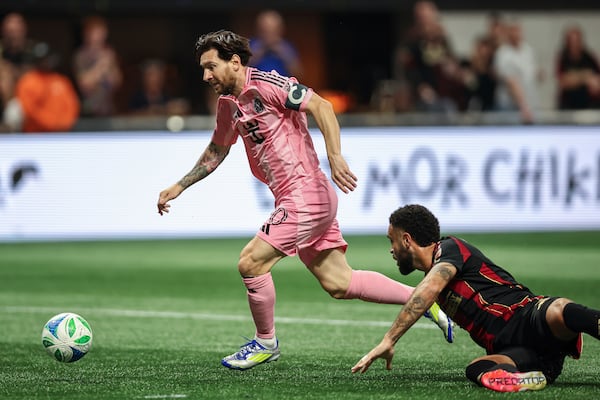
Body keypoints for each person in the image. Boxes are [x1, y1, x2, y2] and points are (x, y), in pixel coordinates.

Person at [157, 30, 453, 371]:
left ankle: (265, 342)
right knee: (340, 283)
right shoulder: (228, 106)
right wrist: (180, 185)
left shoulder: (268, 85)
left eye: (211, 67)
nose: (205, 76)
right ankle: (425, 299)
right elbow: (218, 149)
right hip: (297, 197)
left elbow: (322, 106)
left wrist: (336, 156)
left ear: (235, 62)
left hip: (305, 193)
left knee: (250, 262)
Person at [351, 204, 599, 393]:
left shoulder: (450, 249)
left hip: (527, 318)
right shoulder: (431, 280)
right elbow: (423, 296)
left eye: (391, 241)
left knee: (559, 309)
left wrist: (389, 340)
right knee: (477, 368)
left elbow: (427, 291)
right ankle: (530, 378)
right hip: (513, 351)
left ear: (407, 240)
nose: (391, 250)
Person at [13, 42, 80, 133]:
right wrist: (51, 123)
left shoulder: (61, 81)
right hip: (35, 135)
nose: (45, 62)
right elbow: (29, 110)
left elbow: (72, 105)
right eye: (42, 59)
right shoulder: (27, 81)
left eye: (46, 58)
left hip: (62, 133)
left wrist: (63, 123)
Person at [73, 15, 122, 116]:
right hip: (88, 111)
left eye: (101, 32)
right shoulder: (81, 56)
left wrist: (110, 68)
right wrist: (101, 66)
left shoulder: (109, 53)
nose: (99, 36)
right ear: (87, 34)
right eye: (95, 32)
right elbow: (85, 84)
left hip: (107, 110)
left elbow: (116, 82)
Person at [493, 18, 540, 124]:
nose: (516, 33)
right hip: (511, 108)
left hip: (531, 105)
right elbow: (511, 82)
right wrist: (523, 106)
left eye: (518, 30)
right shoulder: (503, 53)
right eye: (512, 30)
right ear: (508, 32)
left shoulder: (528, 50)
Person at [556, 25, 600, 110]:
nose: (574, 44)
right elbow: (563, 82)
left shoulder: (589, 57)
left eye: (576, 41)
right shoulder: (563, 58)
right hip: (568, 106)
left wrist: (576, 79)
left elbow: (597, 81)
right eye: (571, 41)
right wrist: (585, 77)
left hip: (588, 105)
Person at [249, 10, 302, 78]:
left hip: (281, 85)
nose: (268, 34)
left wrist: (283, 53)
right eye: (264, 31)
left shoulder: (287, 46)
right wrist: (258, 53)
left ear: (280, 29)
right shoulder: (251, 45)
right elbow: (240, 70)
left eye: (272, 30)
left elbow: (298, 74)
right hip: (256, 85)